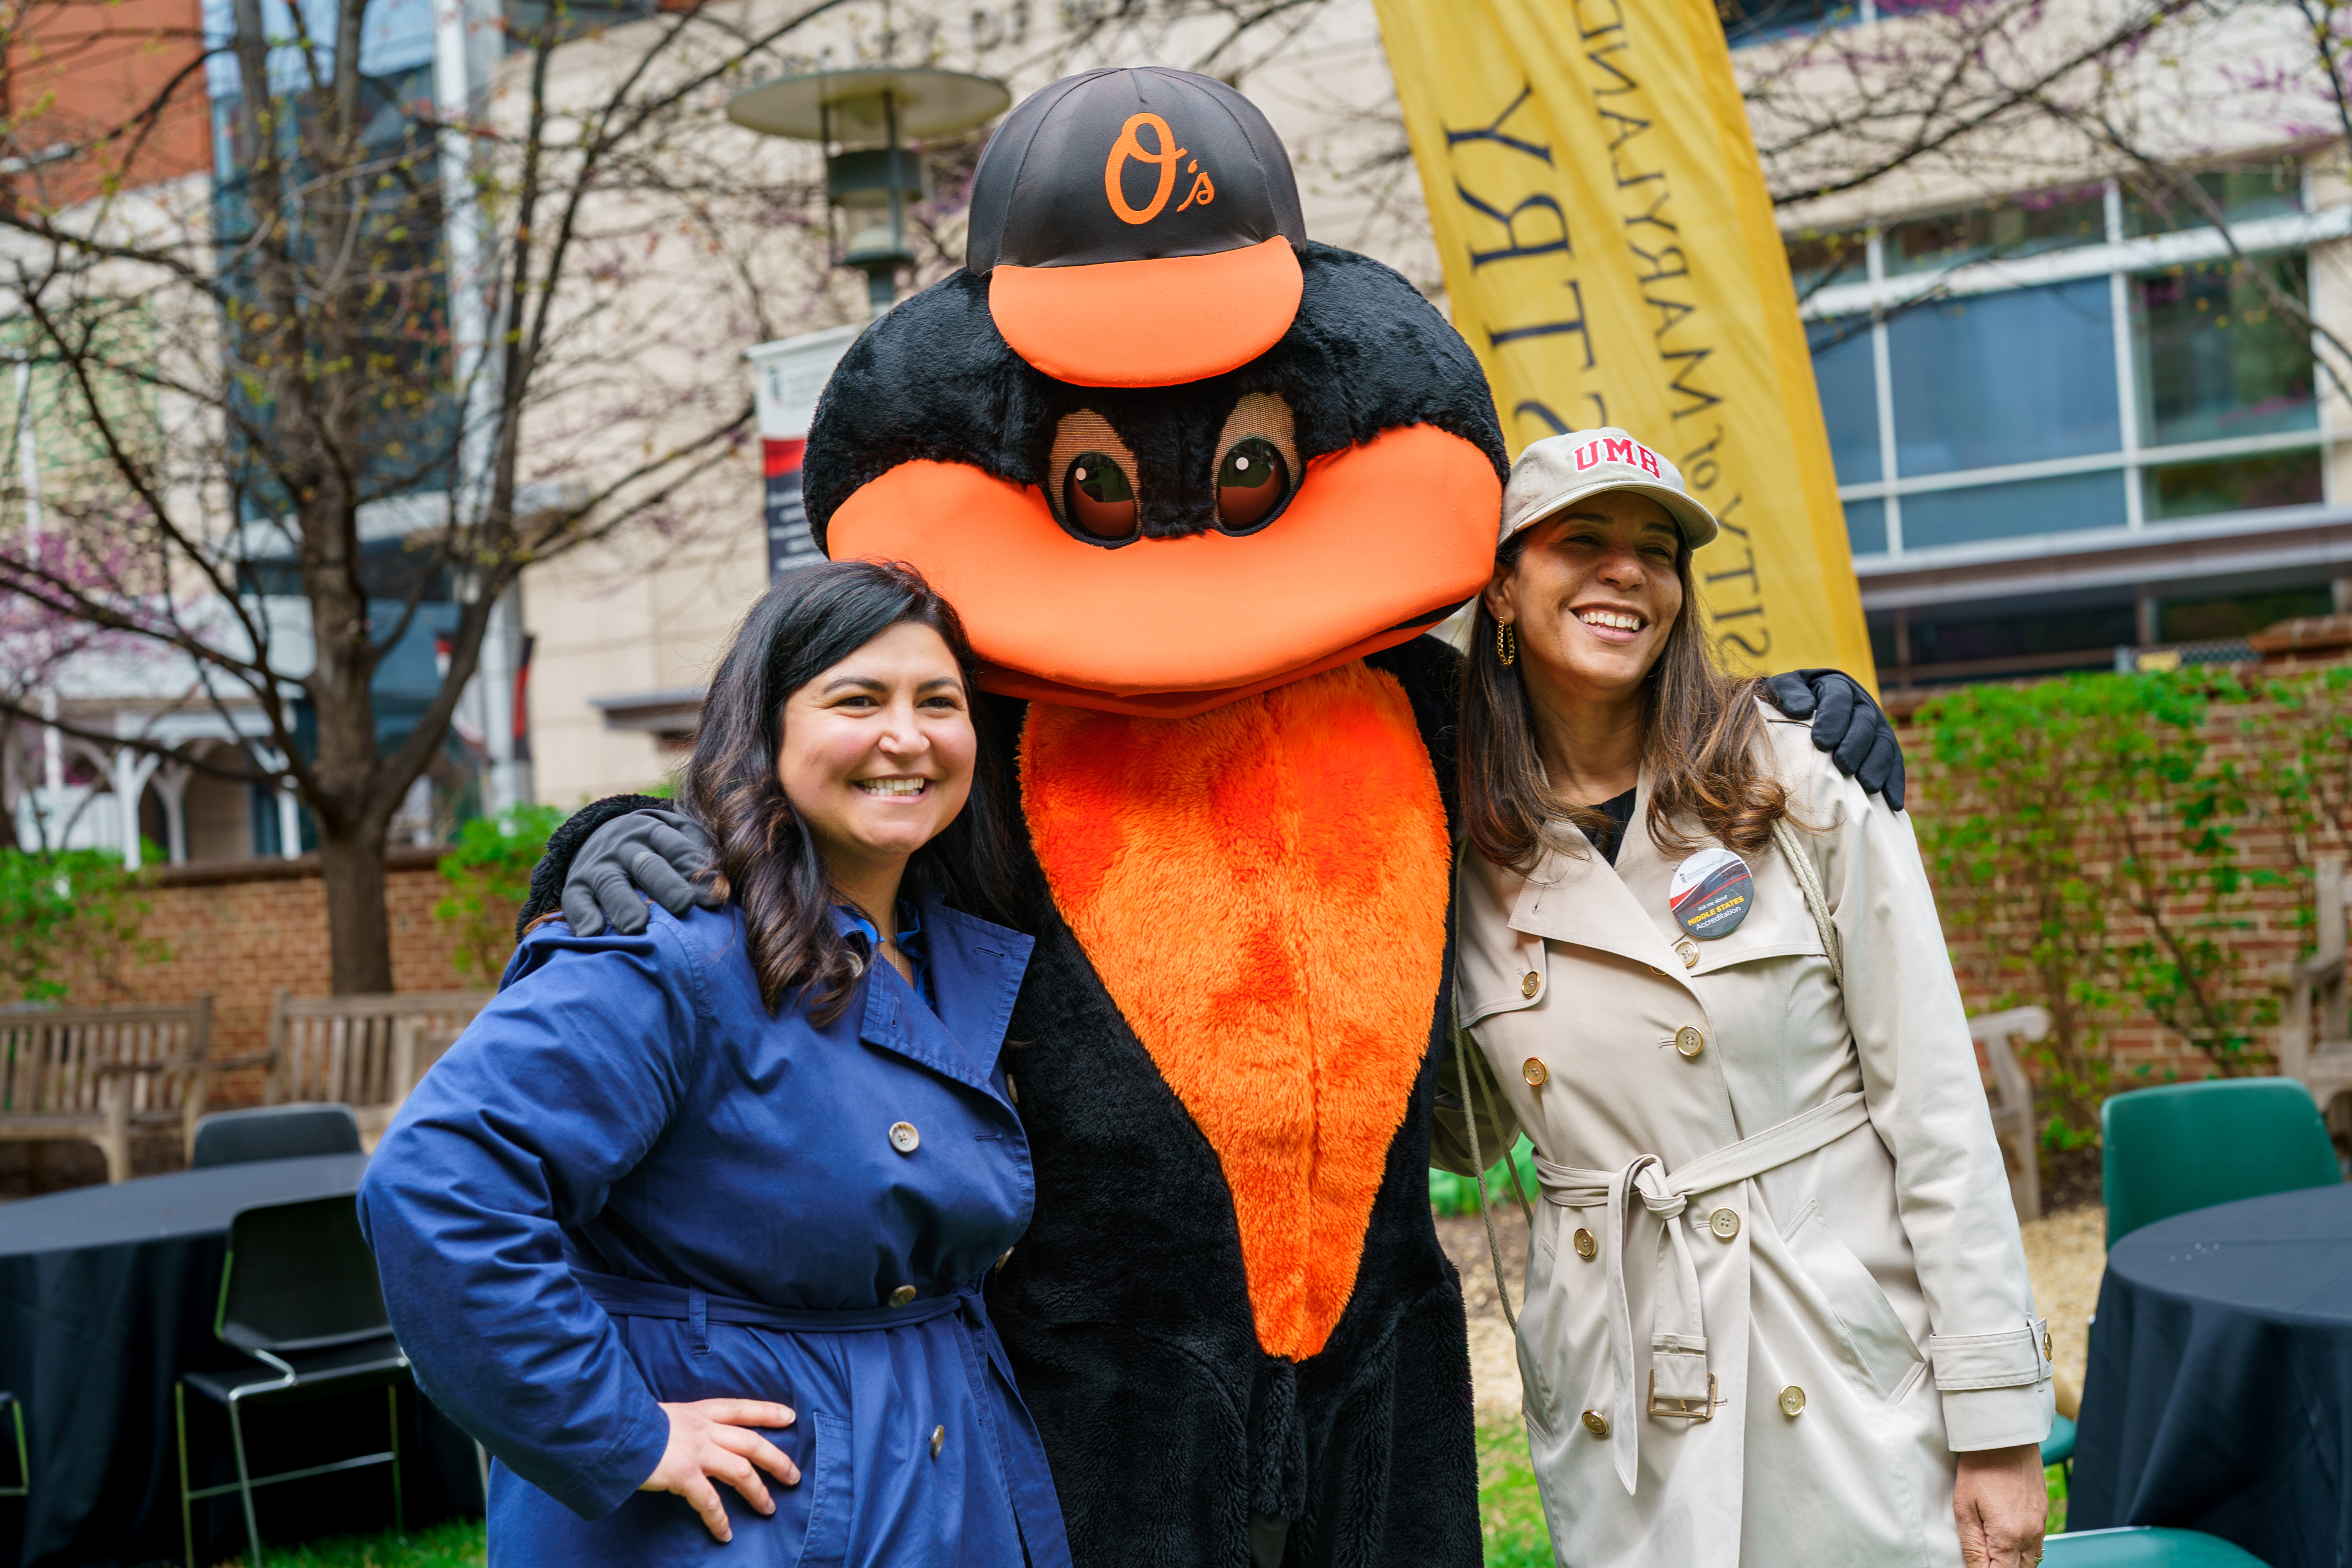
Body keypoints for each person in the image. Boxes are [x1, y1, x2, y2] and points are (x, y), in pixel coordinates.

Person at [358, 560, 1069, 1568]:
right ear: (766, 728)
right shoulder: (671, 945)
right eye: (856, 699)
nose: (905, 737)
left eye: (938, 702)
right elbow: (442, 1181)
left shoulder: (970, 949)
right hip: (752, 1513)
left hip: (947, 1477)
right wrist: (624, 1431)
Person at [1434, 428, 2053, 1568]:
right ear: (1503, 589)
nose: (1628, 570)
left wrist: (2000, 1417)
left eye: (1658, 548)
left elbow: (1939, 1109)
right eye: (1583, 538)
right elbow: (1450, 1138)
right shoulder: (1454, 841)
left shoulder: (1799, 773)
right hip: (1622, 1376)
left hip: (1833, 1356)